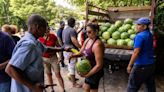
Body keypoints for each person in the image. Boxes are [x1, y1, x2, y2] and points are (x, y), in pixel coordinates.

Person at [5, 14, 68, 92]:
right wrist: (32, 86)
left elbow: (46, 49)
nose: (46, 30)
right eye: (45, 27)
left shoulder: (35, 41)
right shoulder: (29, 45)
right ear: (38, 28)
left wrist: (62, 48)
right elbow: (10, 69)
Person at [69, 23, 104, 92]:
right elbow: (81, 52)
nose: (87, 34)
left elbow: (99, 65)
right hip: (89, 69)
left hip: (95, 72)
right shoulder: (87, 40)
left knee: (92, 90)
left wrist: (87, 75)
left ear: (96, 31)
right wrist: (73, 55)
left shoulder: (97, 45)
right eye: (86, 32)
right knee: (86, 88)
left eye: (89, 32)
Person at [127, 17, 156, 92]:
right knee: (150, 87)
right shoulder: (150, 34)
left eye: (139, 24)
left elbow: (136, 52)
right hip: (151, 65)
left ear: (145, 26)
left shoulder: (139, 36)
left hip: (141, 66)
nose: (136, 26)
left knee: (132, 87)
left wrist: (130, 65)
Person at [62, 17, 81, 88]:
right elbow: (74, 40)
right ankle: (74, 83)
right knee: (72, 66)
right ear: (73, 23)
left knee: (70, 66)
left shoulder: (65, 30)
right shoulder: (72, 30)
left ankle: (72, 78)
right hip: (71, 51)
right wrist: (81, 47)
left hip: (65, 50)